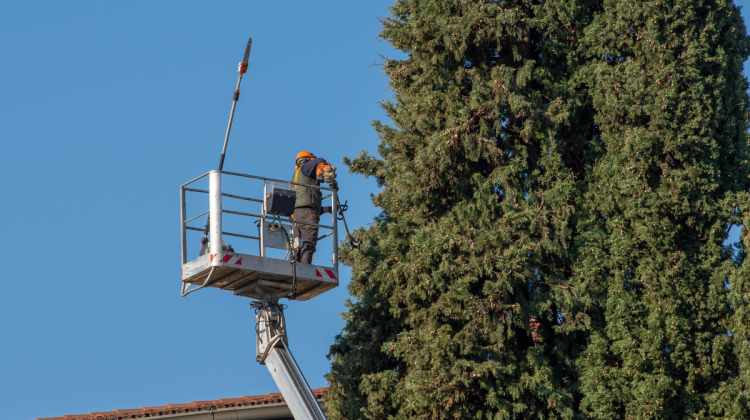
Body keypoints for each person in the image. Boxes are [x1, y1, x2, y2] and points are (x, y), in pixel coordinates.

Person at [291, 151, 337, 264]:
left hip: (297, 215)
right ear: (308, 159)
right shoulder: (306, 167)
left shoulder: (296, 175)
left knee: (297, 246)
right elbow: (319, 161)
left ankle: (293, 269)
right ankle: (304, 271)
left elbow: (307, 204)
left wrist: (329, 209)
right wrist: (329, 174)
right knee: (308, 243)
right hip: (306, 213)